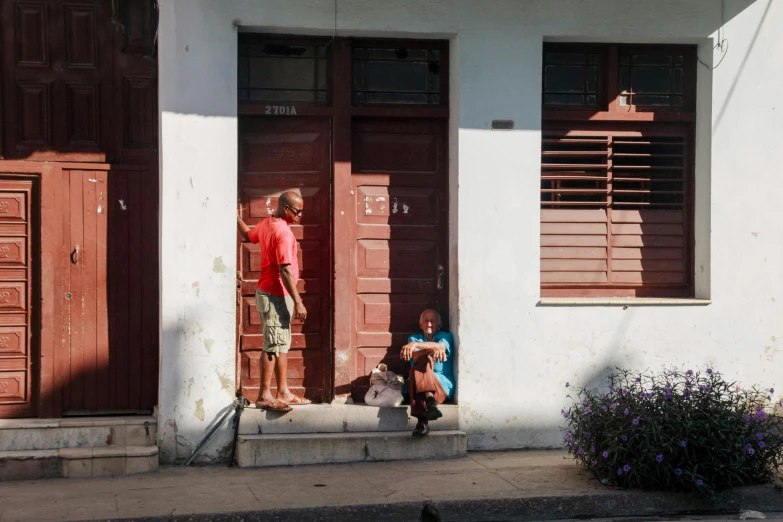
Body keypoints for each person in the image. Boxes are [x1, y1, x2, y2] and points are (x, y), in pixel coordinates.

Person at [237, 191, 311, 412]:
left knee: (282, 344)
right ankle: (264, 396)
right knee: (272, 345)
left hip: (278, 295)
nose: (300, 216)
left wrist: (236, 218)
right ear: (287, 209)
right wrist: (298, 301)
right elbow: (285, 270)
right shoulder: (283, 233)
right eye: (298, 212)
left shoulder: (267, 223)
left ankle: (284, 391)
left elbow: (248, 236)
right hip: (274, 294)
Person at [400, 309, 455, 436]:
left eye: (432, 321)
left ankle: (422, 422)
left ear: (439, 325)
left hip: (441, 387)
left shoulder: (446, 336)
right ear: (421, 325)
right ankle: (430, 403)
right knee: (422, 363)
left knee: (419, 368)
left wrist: (418, 346)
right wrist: (433, 348)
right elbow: (415, 356)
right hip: (418, 385)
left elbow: (442, 347)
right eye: (426, 321)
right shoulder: (413, 338)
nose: (429, 324)